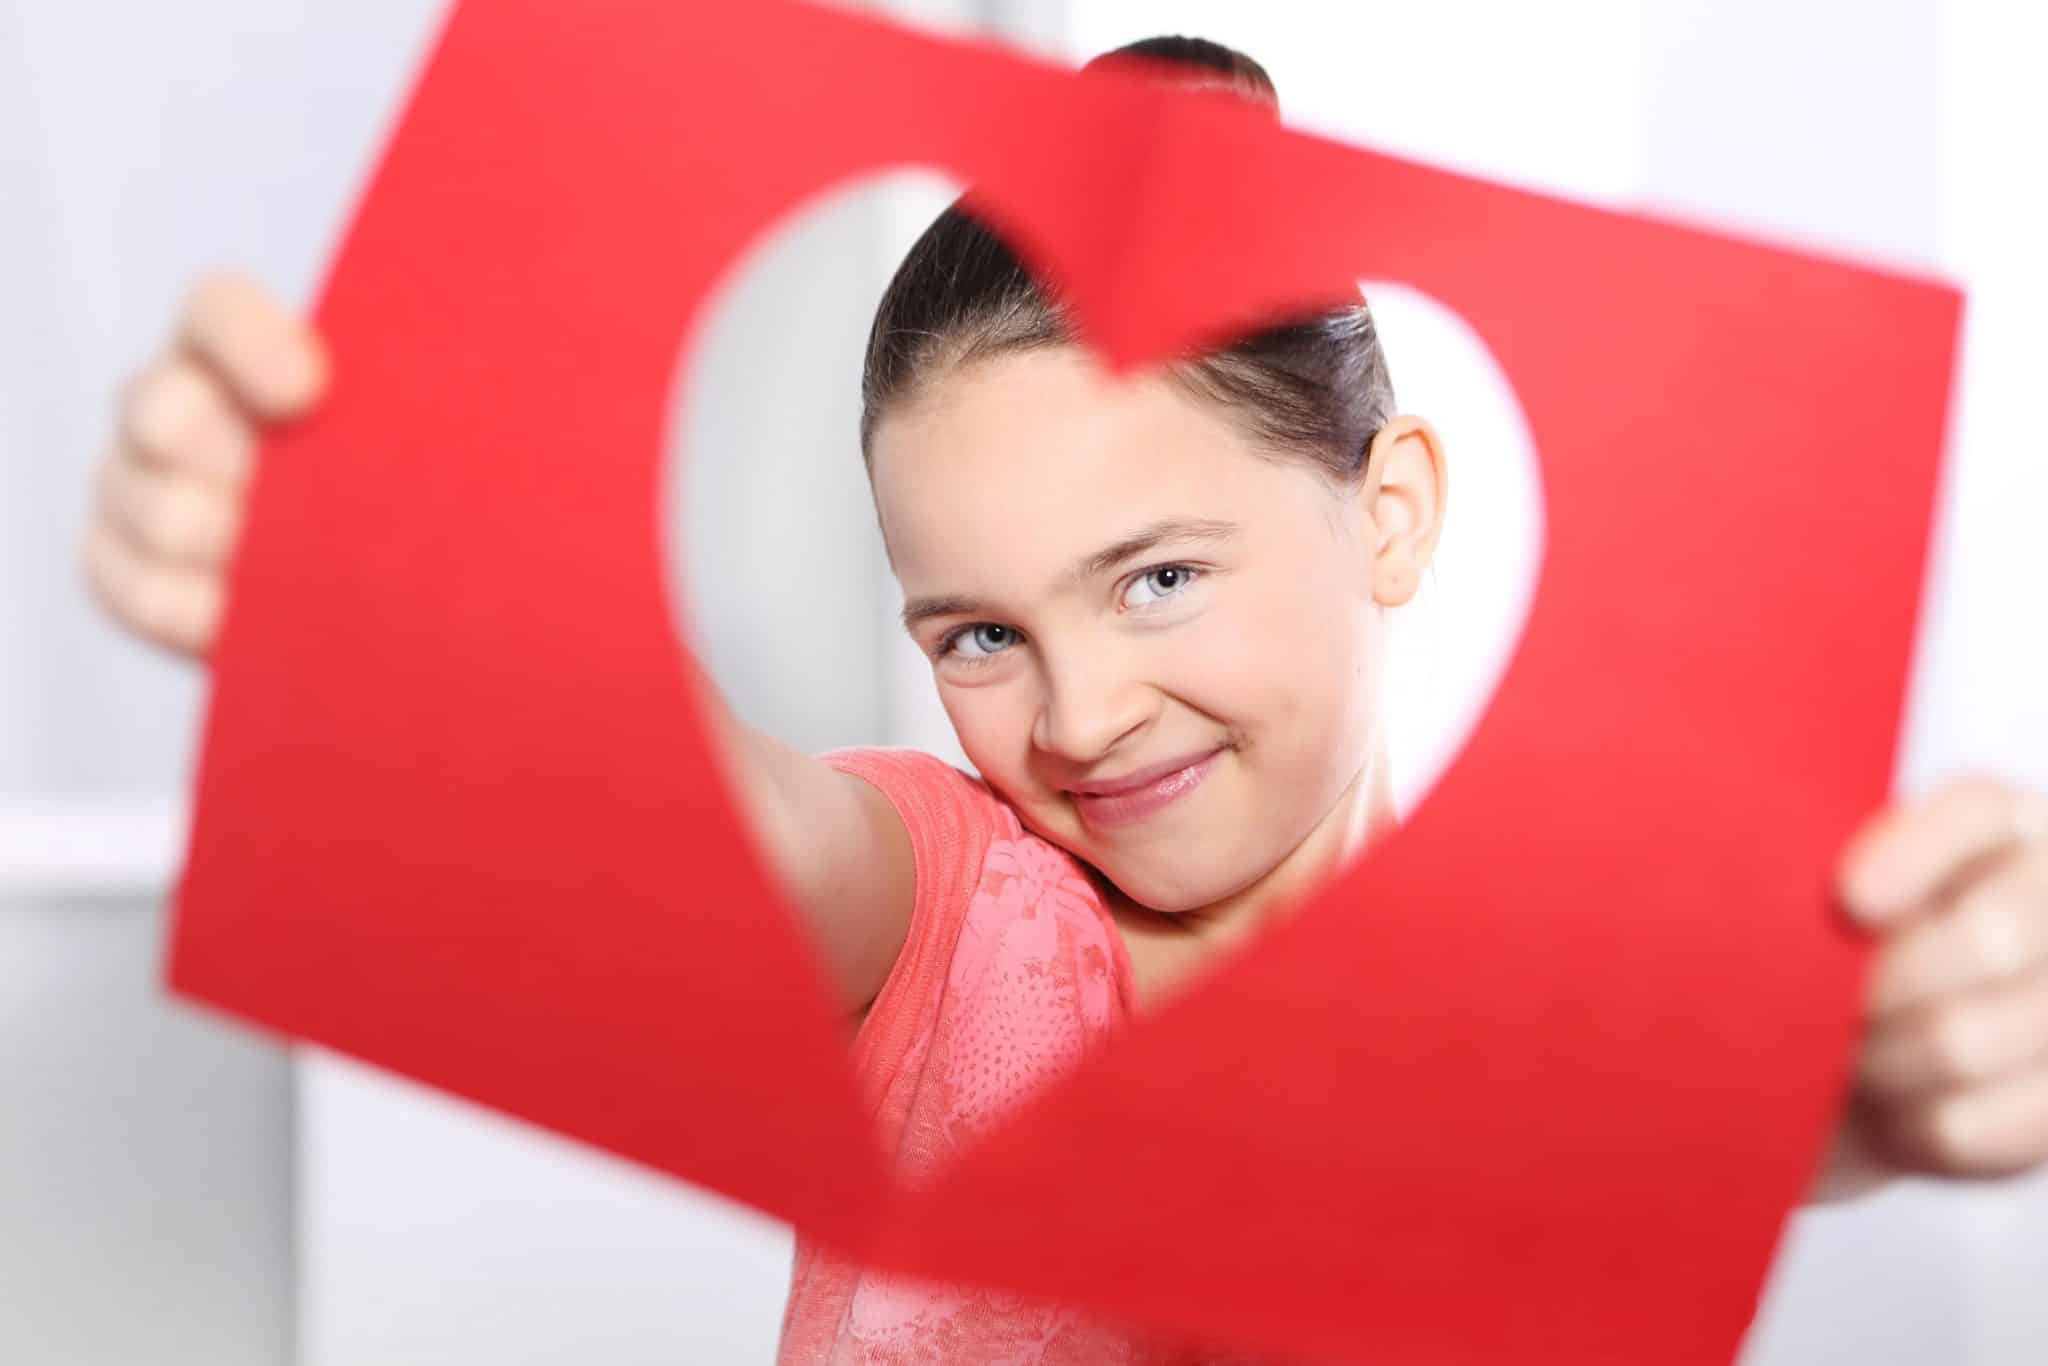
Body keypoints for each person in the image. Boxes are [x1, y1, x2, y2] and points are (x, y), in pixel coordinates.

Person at [77, 33, 2048, 1366]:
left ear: (1390, 512)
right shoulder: (939, 900)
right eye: (977, 632)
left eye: (1159, 575)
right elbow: (674, 801)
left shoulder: (1534, 981)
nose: (1083, 713)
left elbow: (1744, 1094)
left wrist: (1885, 1068)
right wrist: (389, 596)